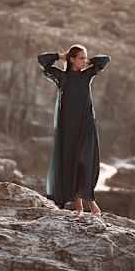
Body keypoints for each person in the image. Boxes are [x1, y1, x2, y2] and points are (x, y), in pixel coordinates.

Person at [37, 45, 111, 215]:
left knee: (86, 162)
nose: (84, 62)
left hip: (86, 126)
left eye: (85, 58)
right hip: (69, 129)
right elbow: (43, 60)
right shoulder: (62, 78)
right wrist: (60, 55)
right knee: (74, 162)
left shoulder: (86, 76)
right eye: (80, 58)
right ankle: (79, 205)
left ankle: (90, 201)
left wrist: (88, 61)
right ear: (71, 59)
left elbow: (105, 60)